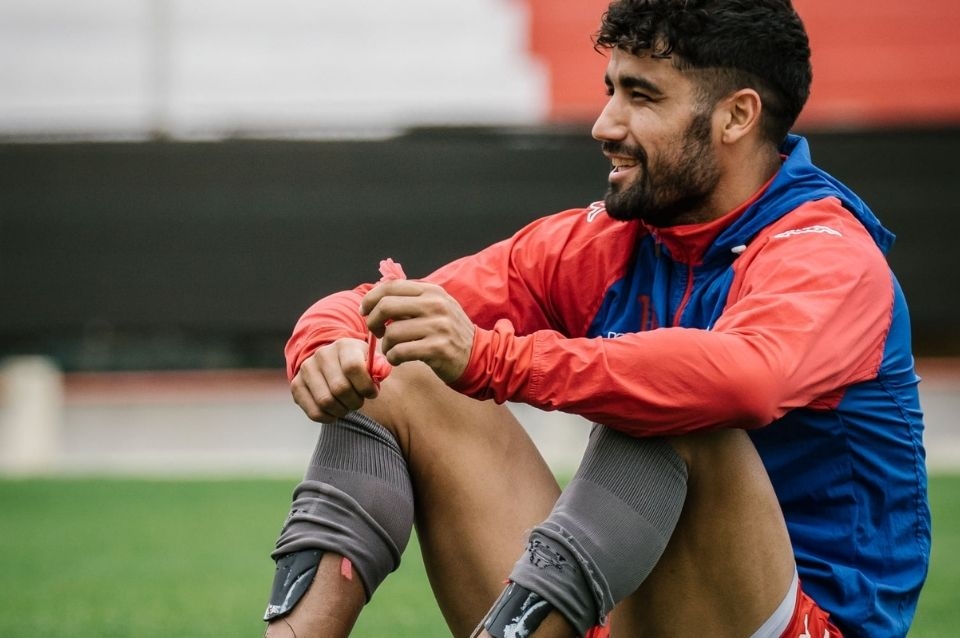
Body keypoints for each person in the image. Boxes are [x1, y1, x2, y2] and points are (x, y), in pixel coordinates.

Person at [262, 1, 930, 636]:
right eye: (611, 90)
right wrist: (326, 345)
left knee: (679, 407)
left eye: (642, 96)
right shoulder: (610, 242)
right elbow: (378, 310)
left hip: (805, 623)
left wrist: (494, 359)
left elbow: (743, 381)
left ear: (736, 116)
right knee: (400, 372)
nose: (604, 125)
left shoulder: (828, 255)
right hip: (633, 610)